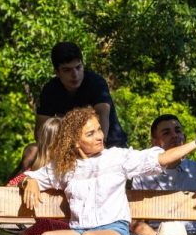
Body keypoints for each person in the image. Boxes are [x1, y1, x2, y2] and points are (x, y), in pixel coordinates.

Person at [20, 107, 196, 235]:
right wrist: (30, 182)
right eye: (91, 134)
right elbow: (31, 176)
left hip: (113, 230)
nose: (100, 136)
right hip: (80, 230)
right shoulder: (65, 167)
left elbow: (161, 158)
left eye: (99, 130)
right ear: (75, 142)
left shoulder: (117, 158)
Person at [16, 41, 129, 173]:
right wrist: (62, 150)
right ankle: (16, 183)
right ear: (57, 72)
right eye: (67, 70)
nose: (75, 74)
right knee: (31, 152)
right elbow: (41, 134)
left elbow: (103, 116)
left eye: (78, 67)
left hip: (108, 144)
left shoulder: (96, 83)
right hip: (70, 149)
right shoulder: (50, 90)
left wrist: (96, 149)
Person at [129, 114, 196, 235]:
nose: (175, 135)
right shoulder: (142, 176)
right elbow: (134, 222)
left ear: (184, 137)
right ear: (154, 143)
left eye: (178, 131)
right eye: (166, 133)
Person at [6, 117, 71, 235]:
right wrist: (27, 181)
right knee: (45, 225)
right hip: (48, 228)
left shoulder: (70, 168)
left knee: (45, 225)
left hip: (69, 227)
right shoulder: (38, 172)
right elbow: (10, 186)